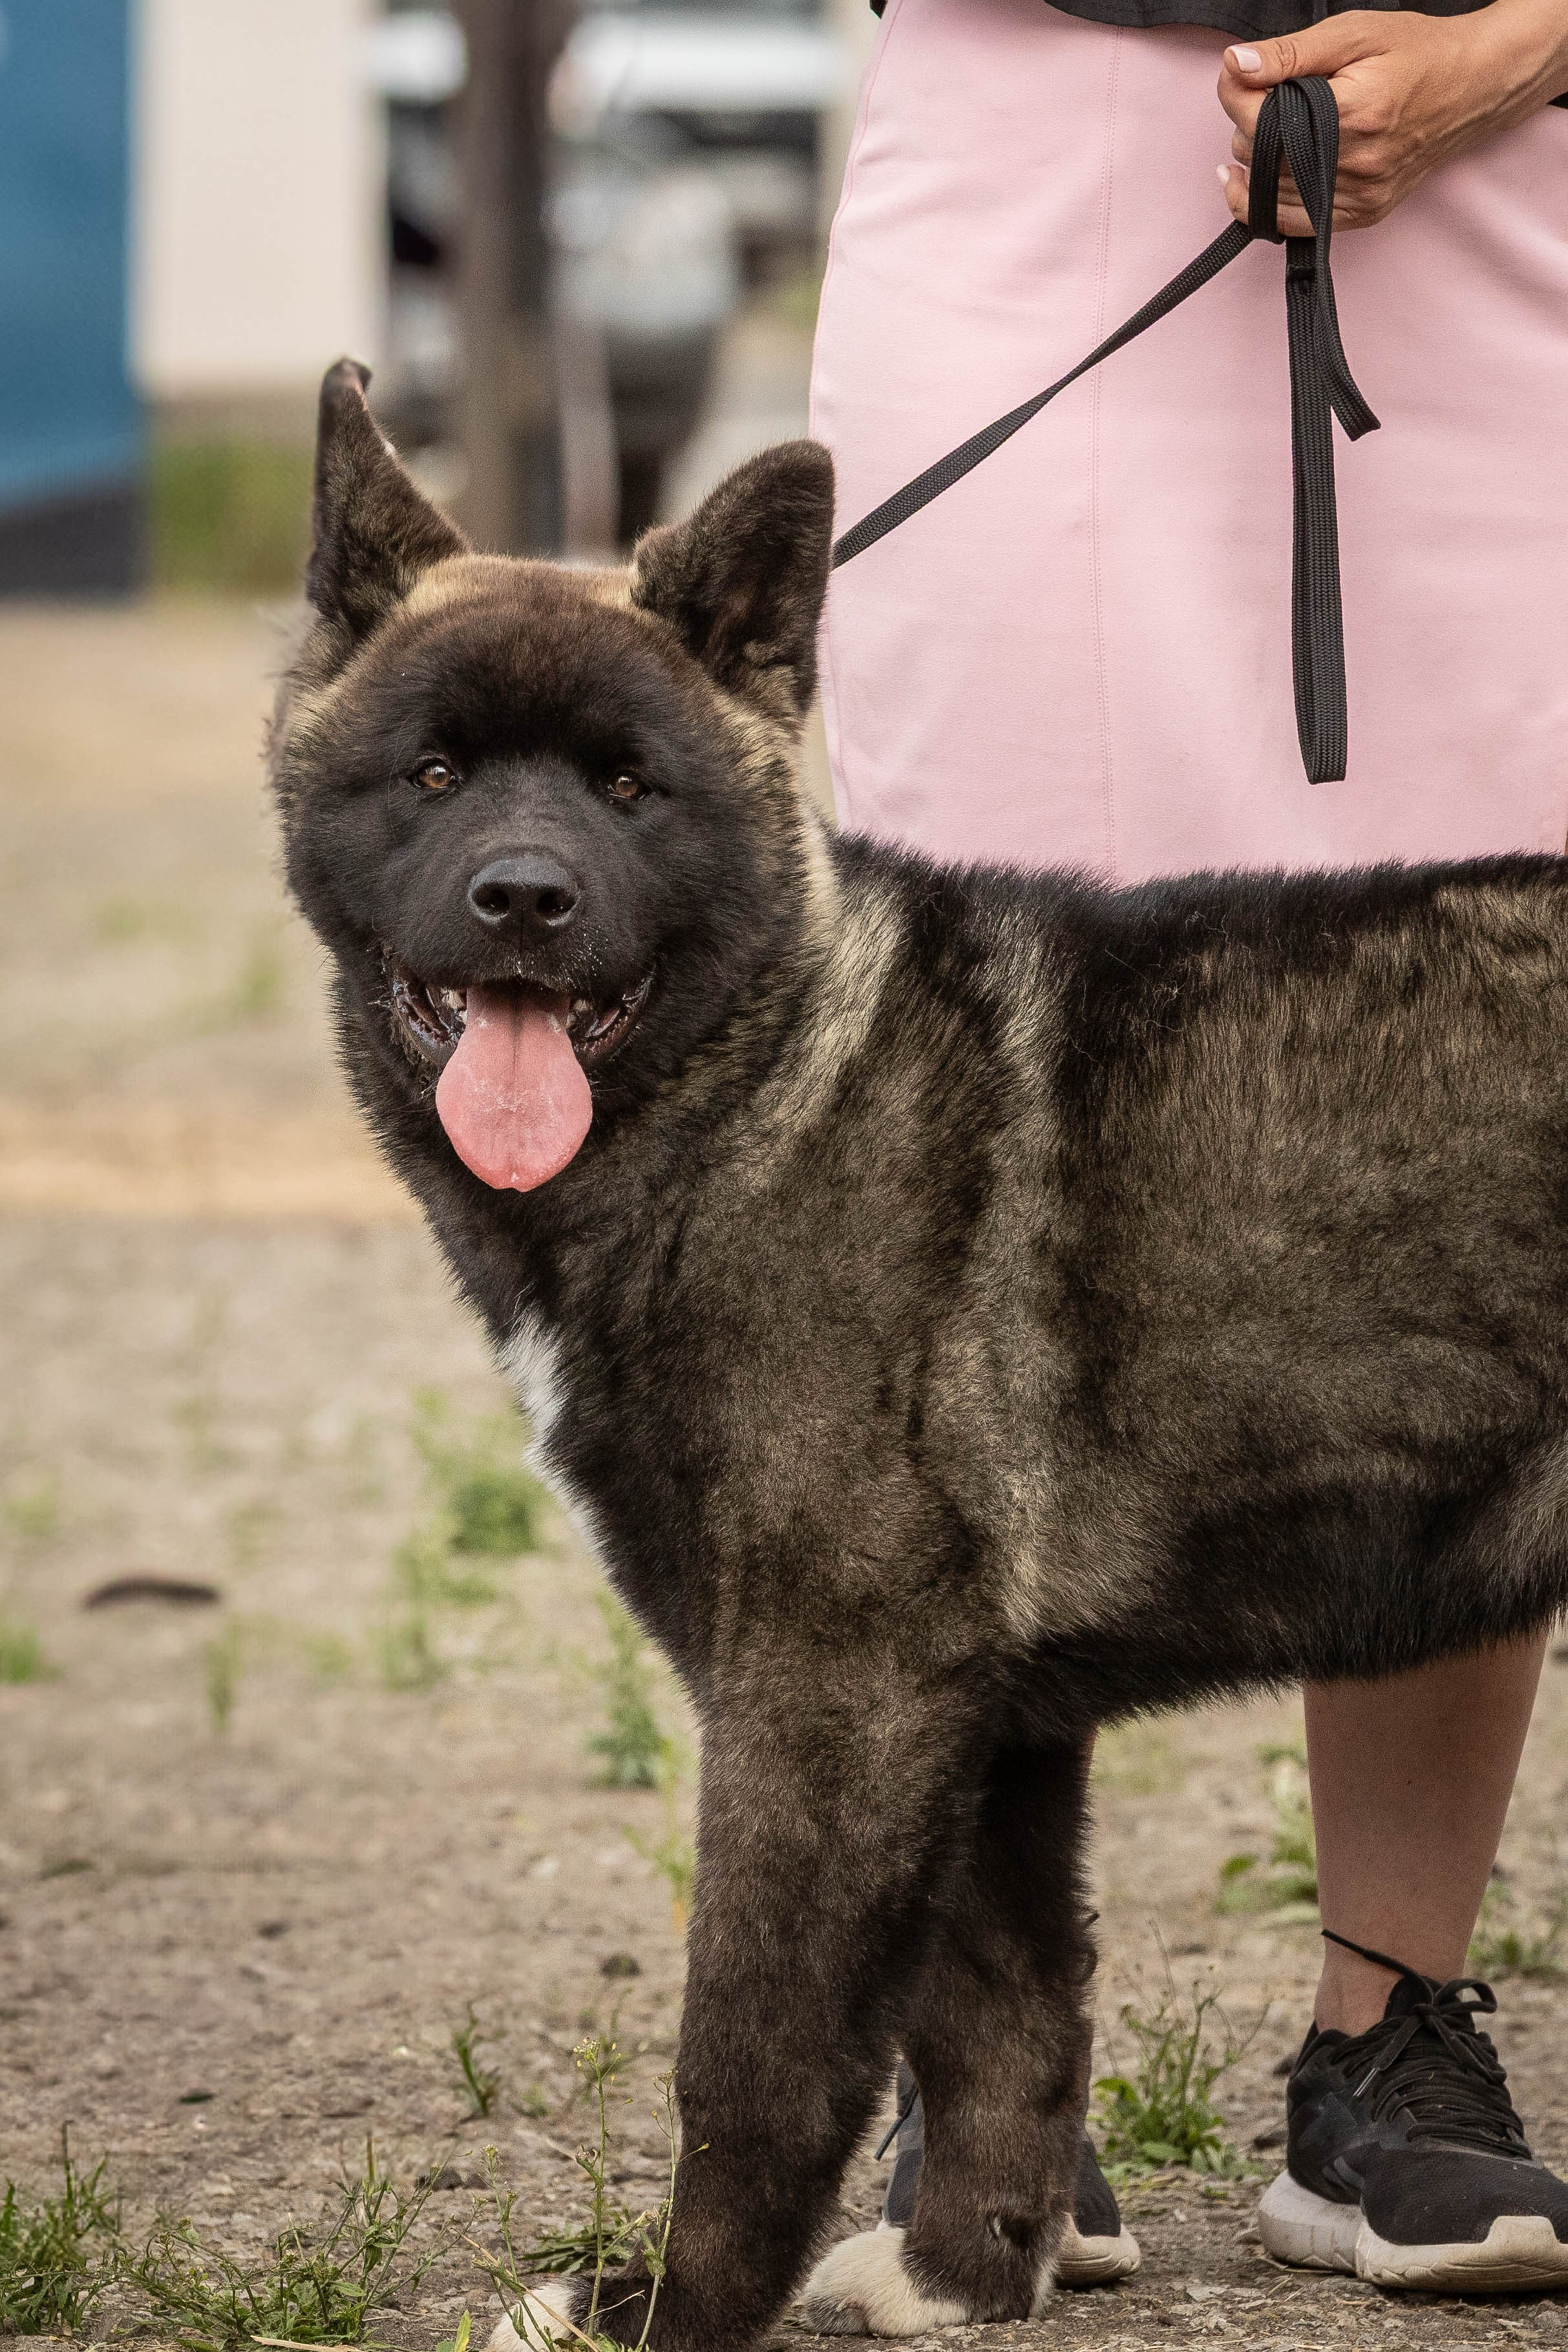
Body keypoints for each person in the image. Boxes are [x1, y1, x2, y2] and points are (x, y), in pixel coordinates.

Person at [809, 0, 1568, 2295]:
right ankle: (985, 2069)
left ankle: (1389, 2052)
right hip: (1029, 160)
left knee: (1466, 1146)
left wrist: (1524, 41)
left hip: (1495, 202)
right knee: (958, 1149)